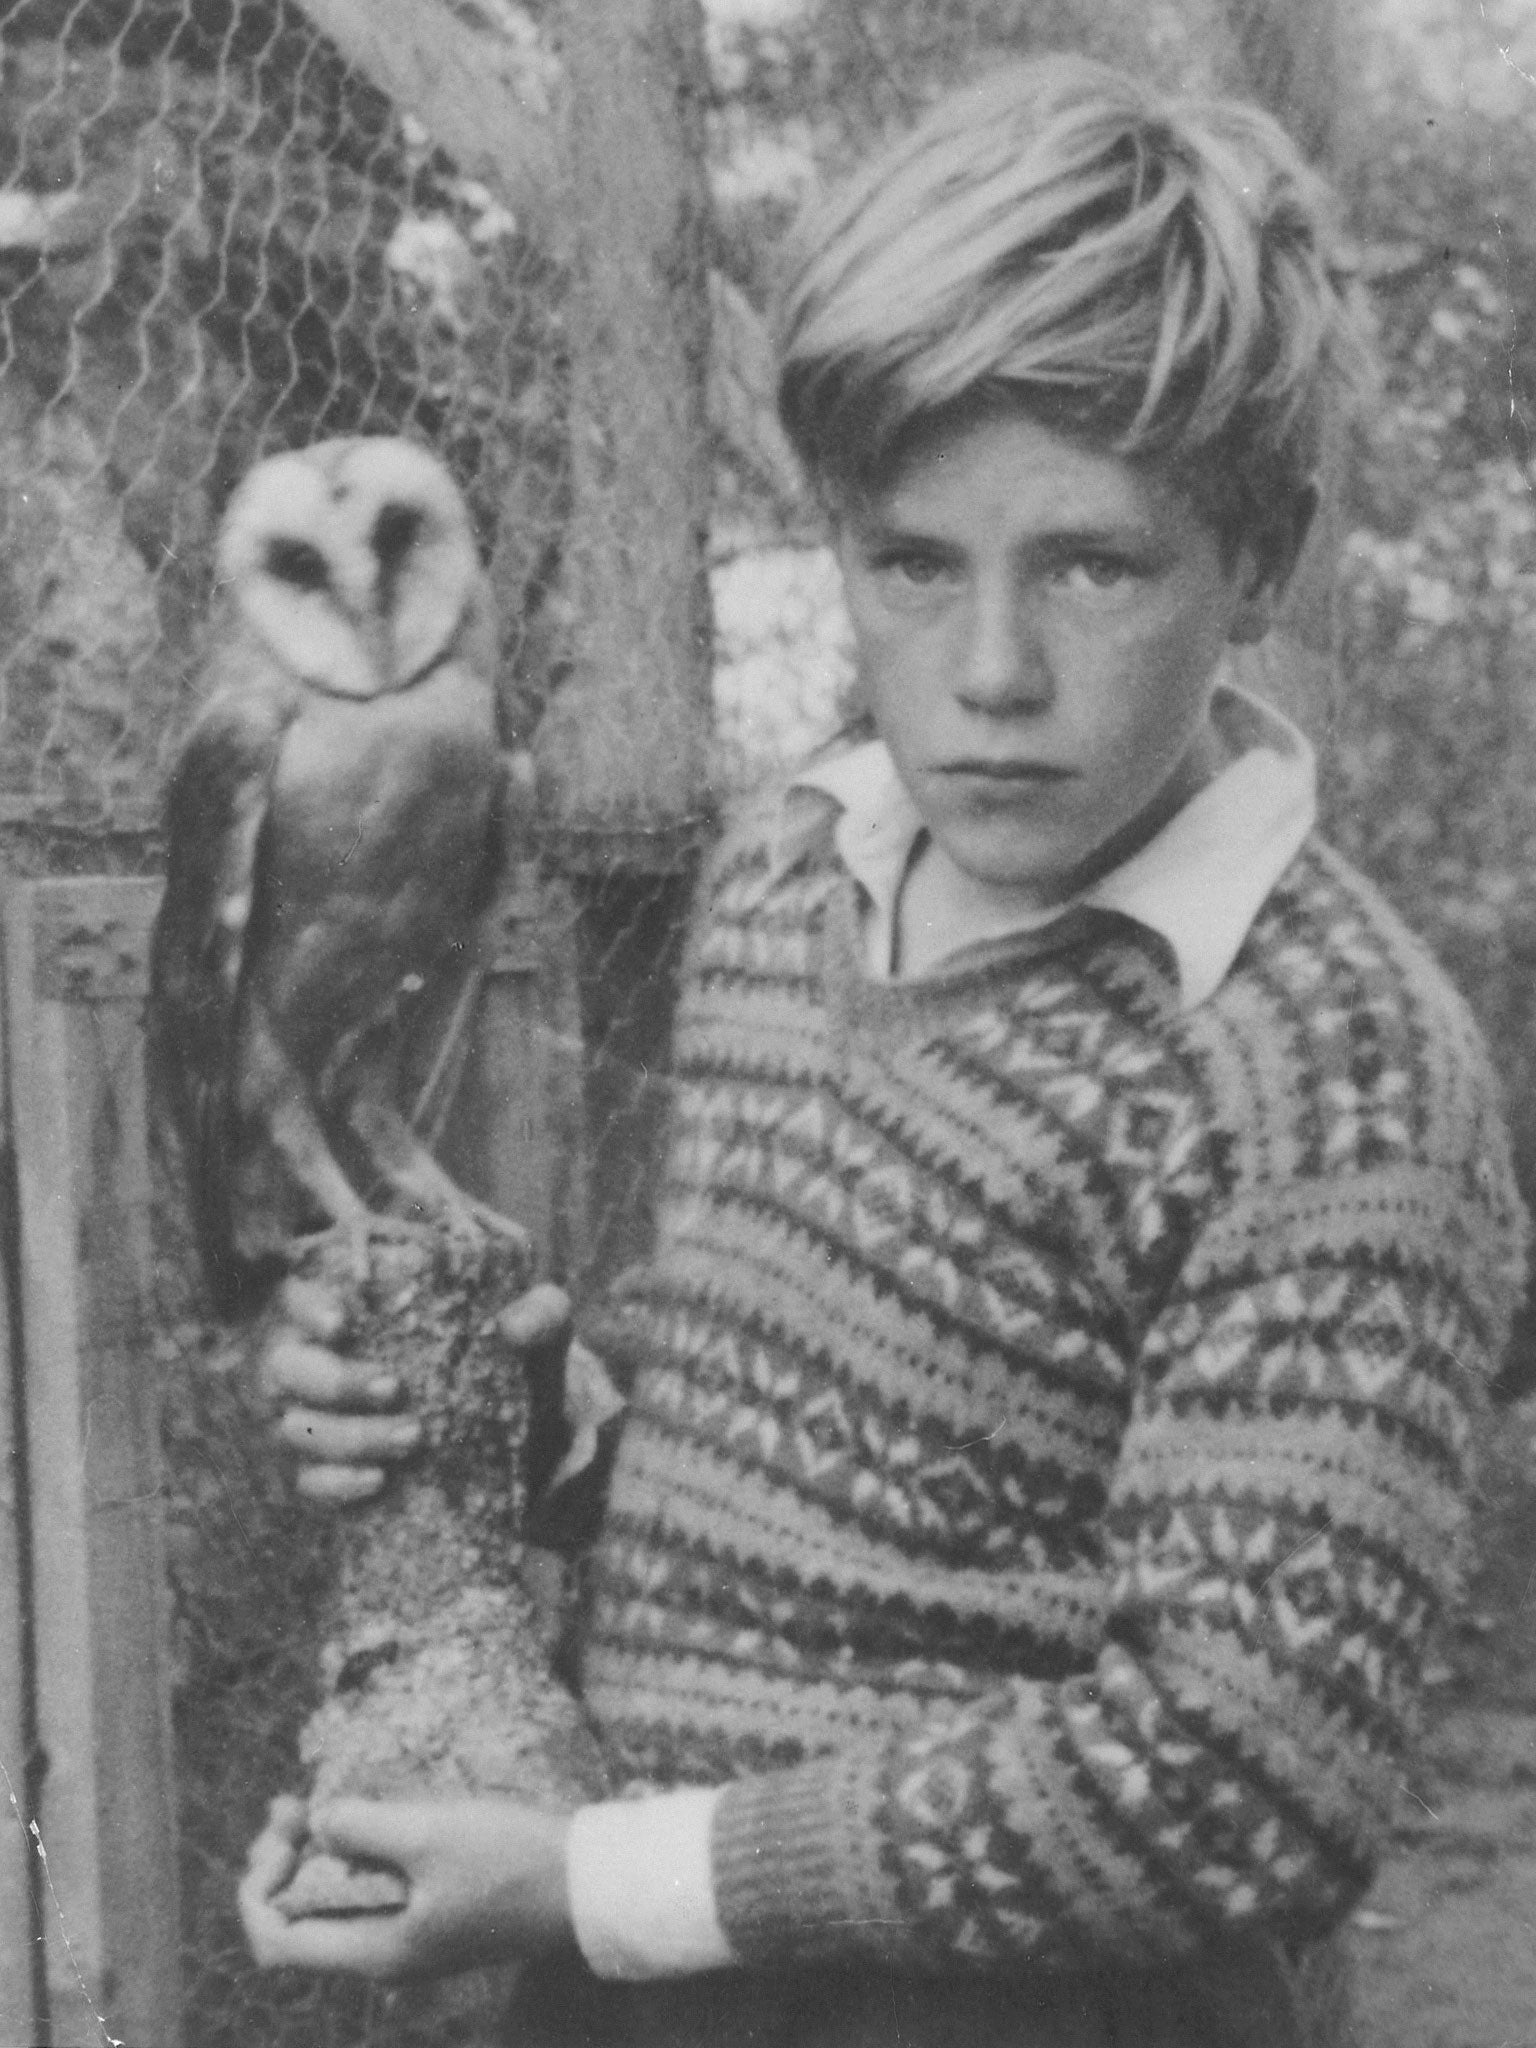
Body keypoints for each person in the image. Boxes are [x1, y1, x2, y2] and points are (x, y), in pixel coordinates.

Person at [238, 52, 1527, 2048]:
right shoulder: (788, 873)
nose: (991, 673)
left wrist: (600, 1878)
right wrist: (533, 1414)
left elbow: (1245, 1775)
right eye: (913, 562)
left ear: (1257, 559)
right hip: (657, 1988)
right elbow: (799, 1412)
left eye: (1092, 564)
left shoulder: (1330, 1063)